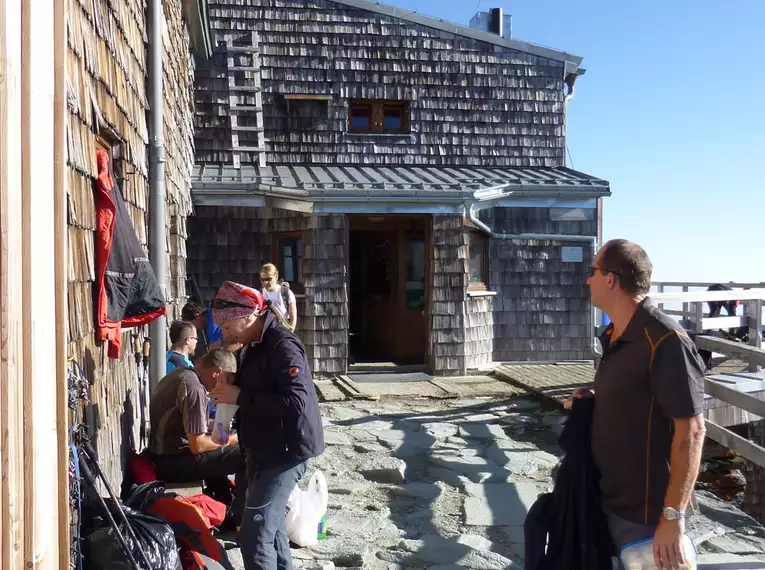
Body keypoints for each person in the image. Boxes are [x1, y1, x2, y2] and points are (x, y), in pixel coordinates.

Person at [570, 239, 707, 569]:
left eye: (592, 271)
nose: (588, 279)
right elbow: (639, 401)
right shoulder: (615, 334)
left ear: (610, 279)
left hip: (647, 518)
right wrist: (594, 404)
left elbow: (692, 431)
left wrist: (672, 518)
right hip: (607, 501)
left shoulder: (665, 340)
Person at [209, 280, 324, 570]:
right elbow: (259, 387)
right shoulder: (252, 344)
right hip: (260, 448)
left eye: (225, 327)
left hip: (284, 452)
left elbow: (297, 402)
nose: (222, 334)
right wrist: (233, 385)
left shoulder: (282, 344)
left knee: (254, 535)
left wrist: (241, 394)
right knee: (270, 533)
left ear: (247, 317)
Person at [150, 349, 246, 522]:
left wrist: (216, 428)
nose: (226, 387)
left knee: (221, 449)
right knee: (244, 453)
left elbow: (185, 423)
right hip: (174, 463)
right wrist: (232, 439)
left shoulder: (181, 375)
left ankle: (223, 499)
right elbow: (198, 446)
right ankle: (238, 516)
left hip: (163, 456)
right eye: (228, 380)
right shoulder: (194, 387)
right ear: (218, 373)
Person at [260, 263, 298, 332]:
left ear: (276, 277)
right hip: (266, 332)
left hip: (283, 331)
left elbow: (293, 316)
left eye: (268, 279)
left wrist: (290, 333)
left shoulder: (286, 292)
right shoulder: (260, 294)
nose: (265, 282)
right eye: (262, 279)